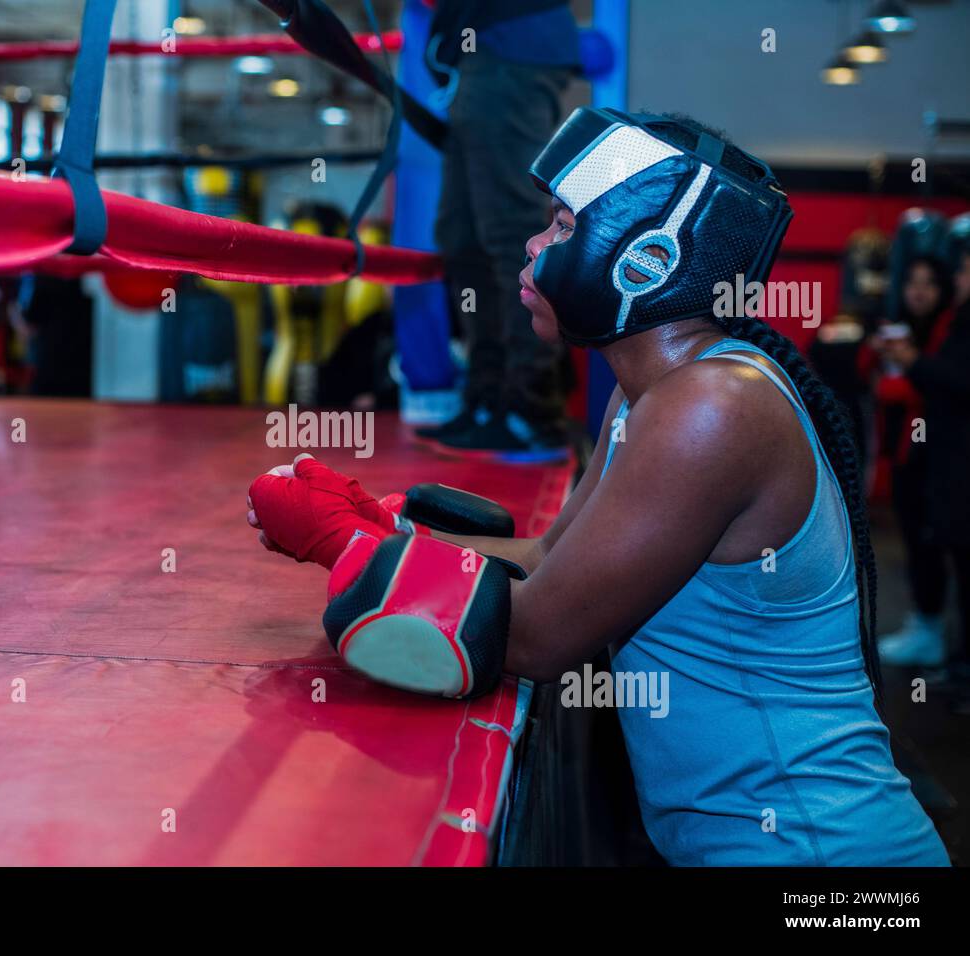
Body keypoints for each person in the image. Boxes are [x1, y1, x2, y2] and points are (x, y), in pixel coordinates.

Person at [245, 108, 949, 866]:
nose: (534, 246)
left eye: (561, 225)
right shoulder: (651, 392)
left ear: (646, 254)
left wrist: (338, 543)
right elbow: (551, 555)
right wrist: (388, 529)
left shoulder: (712, 410)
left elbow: (540, 636)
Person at [416, 0, 579, 460]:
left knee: (511, 231)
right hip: (481, 47)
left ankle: (530, 409)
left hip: (512, 38)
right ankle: (489, 399)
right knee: (462, 238)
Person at [873, 248, 970, 670]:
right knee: (923, 542)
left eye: (929, 283)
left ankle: (940, 643)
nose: (918, 292)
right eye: (913, 282)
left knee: (940, 548)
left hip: (940, 456)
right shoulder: (910, 324)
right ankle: (934, 637)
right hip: (912, 452)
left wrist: (910, 363)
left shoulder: (953, 324)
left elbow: (947, 384)